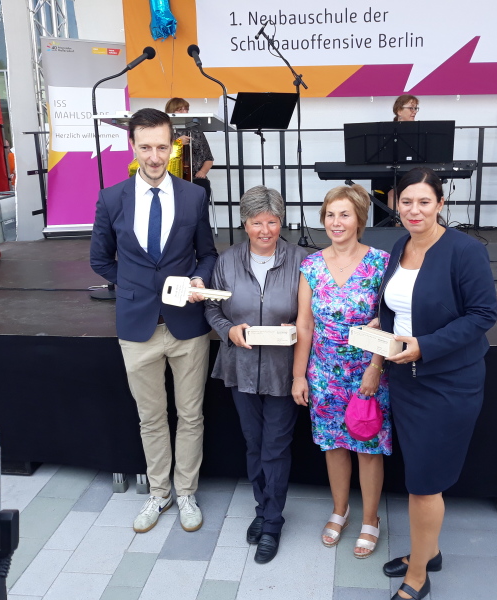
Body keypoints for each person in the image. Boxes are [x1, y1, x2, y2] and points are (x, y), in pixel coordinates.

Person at [90, 107, 218, 535]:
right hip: (136, 325)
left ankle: (186, 493)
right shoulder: (111, 198)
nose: (154, 156)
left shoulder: (194, 195)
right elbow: (99, 258)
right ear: (133, 146)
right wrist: (132, 286)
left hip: (187, 325)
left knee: (191, 415)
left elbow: (209, 252)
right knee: (150, 417)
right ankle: (158, 493)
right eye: (145, 147)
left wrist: (197, 279)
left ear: (172, 145)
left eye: (162, 146)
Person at [376, 167, 497, 600]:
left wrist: (424, 346)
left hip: (448, 384)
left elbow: (483, 316)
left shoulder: (465, 251)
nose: (414, 210)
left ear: (440, 205)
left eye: (424, 201)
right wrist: (382, 335)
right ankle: (430, 551)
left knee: (424, 483)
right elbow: (392, 306)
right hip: (405, 379)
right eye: (406, 201)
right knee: (420, 476)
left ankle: (419, 576)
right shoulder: (399, 246)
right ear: (395, 203)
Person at [204, 186, 308, 564]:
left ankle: (273, 523)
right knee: (253, 443)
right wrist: (227, 330)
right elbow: (214, 311)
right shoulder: (226, 261)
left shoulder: (302, 261)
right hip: (241, 367)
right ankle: (262, 509)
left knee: (275, 446)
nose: (265, 230)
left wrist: (296, 328)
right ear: (244, 223)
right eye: (256, 222)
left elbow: (308, 317)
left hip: (284, 369)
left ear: (282, 221)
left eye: (272, 221)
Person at [292, 184, 391, 559]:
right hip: (324, 373)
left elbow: (388, 319)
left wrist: (375, 368)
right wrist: (300, 376)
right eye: (330, 215)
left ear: (360, 219)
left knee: (367, 447)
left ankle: (370, 519)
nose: (336, 222)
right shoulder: (311, 266)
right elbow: (304, 325)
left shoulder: (381, 262)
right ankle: (341, 510)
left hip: (367, 372)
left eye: (344, 214)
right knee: (333, 445)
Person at [372, 94, 421, 224]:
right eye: (411, 108)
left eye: (416, 108)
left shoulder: (421, 131)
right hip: (389, 174)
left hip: (412, 173)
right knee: (393, 193)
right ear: (399, 111)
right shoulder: (386, 131)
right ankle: (396, 227)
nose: (414, 112)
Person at [165, 98, 214, 198]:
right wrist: (177, 143)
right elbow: (159, 152)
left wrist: (202, 172)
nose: (185, 112)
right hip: (169, 177)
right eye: (180, 109)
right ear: (171, 111)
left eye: (186, 109)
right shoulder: (163, 131)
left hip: (195, 177)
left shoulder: (196, 132)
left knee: (202, 187)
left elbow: (209, 158)